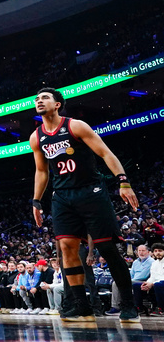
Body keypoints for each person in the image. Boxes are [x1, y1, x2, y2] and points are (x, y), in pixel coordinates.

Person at [29, 87, 141, 323]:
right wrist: (36, 200)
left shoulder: (76, 126)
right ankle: (82, 306)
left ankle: (128, 305)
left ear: (57, 104)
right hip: (62, 196)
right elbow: (41, 171)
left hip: (91, 191)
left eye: (45, 98)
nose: (39, 101)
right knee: (67, 249)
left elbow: (105, 153)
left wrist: (123, 182)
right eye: (37, 99)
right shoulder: (36, 136)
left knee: (107, 248)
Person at [108, 244, 152, 314]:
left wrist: (129, 281)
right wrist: (127, 280)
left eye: (143, 251)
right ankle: (116, 306)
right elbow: (131, 275)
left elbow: (144, 276)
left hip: (143, 281)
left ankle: (124, 306)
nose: (141, 252)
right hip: (133, 280)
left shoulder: (151, 262)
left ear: (148, 252)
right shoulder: (135, 262)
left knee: (122, 283)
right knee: (116, 283)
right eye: (139, 251)